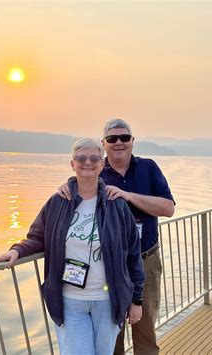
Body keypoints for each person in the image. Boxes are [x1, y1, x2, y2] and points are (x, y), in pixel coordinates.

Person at [0, 138, 144, 355]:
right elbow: (37, 236)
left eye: (94, 158)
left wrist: (136, 299)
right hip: (70, 301)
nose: (87, 163)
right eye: (81, 158)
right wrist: (17, 250)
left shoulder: (116, 204)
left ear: (102, 164)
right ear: (72, 164)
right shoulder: (58, 202)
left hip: (107, 300)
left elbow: (133, 254)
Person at [58, 119, 175, 355]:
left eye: (124, 137)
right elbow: (78, 190)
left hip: (146, 260)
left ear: (133, 141)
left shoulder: (148, 168)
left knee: (145, 326)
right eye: (112, 139)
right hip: (109, 265)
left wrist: (128, 196)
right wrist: (66, 187)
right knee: (112, 333)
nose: (119, 143)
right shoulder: (98, 172)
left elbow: (168, 208)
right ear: (104, 144)